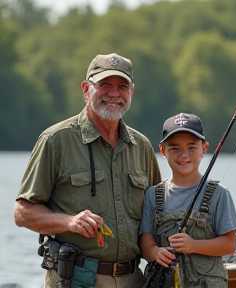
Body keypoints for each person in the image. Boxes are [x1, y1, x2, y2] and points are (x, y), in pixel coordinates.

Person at [14, 53, 161, 288]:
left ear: (131, 92)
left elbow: (157, 217)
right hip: (76, 279)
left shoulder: (142, 146)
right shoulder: (55, 140)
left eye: (122, 87)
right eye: (104, 85)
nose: (114, 93)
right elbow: (22, 213)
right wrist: (69, 221)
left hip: (134, 279)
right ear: (86, 89)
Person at [139, 112, 236, 288]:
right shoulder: (152, 195)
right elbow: (145, 242)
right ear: (163, 151)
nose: (184, 155)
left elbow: (230, 244)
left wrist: (193, 245)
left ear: (204, 148)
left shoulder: (219, 194)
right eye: (175, 148)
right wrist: (155, 252)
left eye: (192, 148)